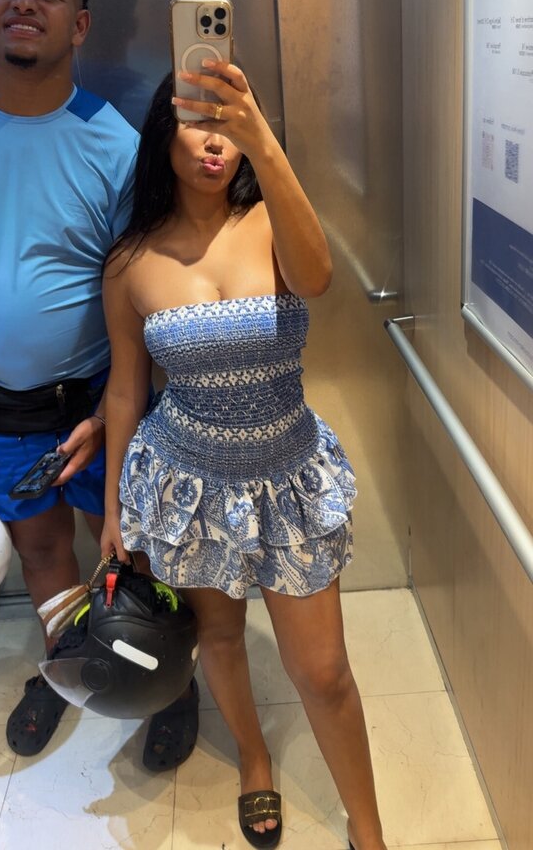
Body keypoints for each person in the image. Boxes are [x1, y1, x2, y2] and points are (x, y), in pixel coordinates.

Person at [0, 0, 198, 767]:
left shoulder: (112, 142)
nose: (22, 3)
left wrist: (120, 407)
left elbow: (138, 291)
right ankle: (70, 666)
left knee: (129, 546)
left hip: (99, 393)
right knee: (41, 548)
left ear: (79, 26)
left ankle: (168, 682)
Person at [101, 63, 388, 850]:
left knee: (323, 672)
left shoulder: (271, 221)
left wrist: (261, 137)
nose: (214, 142)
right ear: (163, 135)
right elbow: (125, 392)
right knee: (220, 637)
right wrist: (116, 506)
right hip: (185, 485)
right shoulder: (130, 262)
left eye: (230, 123)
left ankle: (368, 831)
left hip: (288, 479)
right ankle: (254, 759)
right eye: (198, 121)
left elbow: (317, 278)